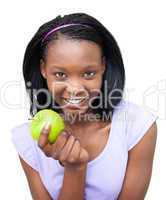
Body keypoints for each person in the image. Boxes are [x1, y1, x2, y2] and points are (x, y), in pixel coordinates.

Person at [11, 13, 158, 200]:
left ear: (103, 66)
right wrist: (75, 169)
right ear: (43, 69)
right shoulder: (28, 141)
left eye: (88, 73)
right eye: (60, 75)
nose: (75, 89)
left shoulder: (137, 127)